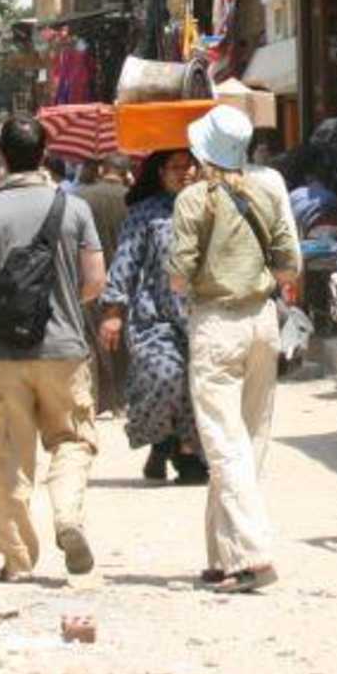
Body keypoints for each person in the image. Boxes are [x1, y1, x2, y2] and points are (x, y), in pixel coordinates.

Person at [0, 117, 106, 582]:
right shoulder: (74, 209)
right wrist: (58, 304)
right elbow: (95, 282)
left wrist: (5, 308)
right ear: (45, 153)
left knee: (7, 452)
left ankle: (18, 560)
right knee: (72, 440)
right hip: (64, 349)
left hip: (3, 354)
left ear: (0, 155)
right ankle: (67, 516)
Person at [168, 106, 299, 593]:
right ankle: (222, 554)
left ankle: (251, 555)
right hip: (263, 323)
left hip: (216, 324)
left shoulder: (192, 199)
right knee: (250, 439)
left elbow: (178, 275)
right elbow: (289, 265)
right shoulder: (267, 192)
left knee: (224, 445)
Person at [98, 149, 208, 483]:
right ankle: (163, 439)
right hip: (155, 317)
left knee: (197, 385)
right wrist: (113, 311)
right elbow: (125, 261)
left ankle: (188, 453)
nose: (185, 172)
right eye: (176, 167)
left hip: (203, 317)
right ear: (160, 173)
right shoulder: (145, 213)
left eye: (190, 166)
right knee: (165, 375)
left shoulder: (211, 209)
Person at [72, 157, 132, 415]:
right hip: (126, 278)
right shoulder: (134, 199)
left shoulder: (80, 198)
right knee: (123, 340)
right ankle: (122, 399)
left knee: (93, 339)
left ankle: (98, 398)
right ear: (126, 173)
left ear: (100, 169)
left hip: (89, 277)